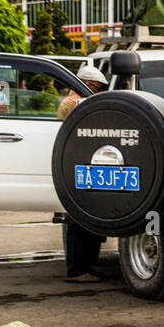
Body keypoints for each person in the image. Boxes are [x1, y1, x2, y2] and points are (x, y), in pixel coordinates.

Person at [60, 65, 109, 283]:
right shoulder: (71, 104)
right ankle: (77, 269)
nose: (97, 93)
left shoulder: (81, 103)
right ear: (86, 85)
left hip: (84, 164)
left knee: (88, 221)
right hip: (75, 165)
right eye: (96, 88)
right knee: (77, 221)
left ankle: (86, 265)